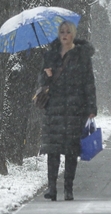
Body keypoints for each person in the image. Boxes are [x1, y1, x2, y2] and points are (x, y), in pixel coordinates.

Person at [39, 21, 97, 201]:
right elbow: (43, 83)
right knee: (53, 150)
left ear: (73, 34)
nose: (64, 35)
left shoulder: (81, 56)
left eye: (68, 32)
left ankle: (68, 188)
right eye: (62, 32)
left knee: (71, 150)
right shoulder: (51, 56)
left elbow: (89, 82)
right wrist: (47, 75)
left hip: (75, 108)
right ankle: (52, 187)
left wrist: (91, 107)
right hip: (55, 108)